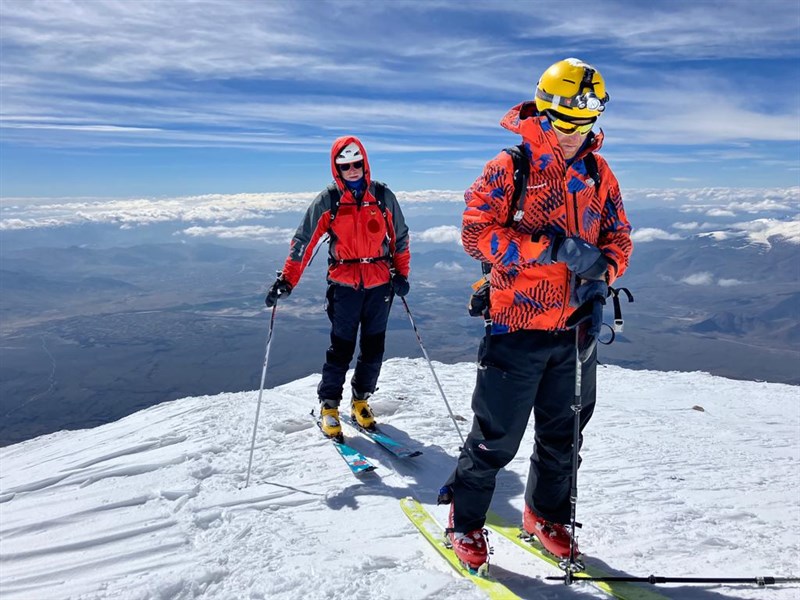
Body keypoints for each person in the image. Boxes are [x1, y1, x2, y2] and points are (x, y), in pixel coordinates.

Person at [441, 58, 633, 570]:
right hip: (517, 327)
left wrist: (603, 268)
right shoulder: (511, 166)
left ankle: (544, 515)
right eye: (569, 116)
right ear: (546, 110)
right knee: (495, 437)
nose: (576, 131)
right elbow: (474, 234)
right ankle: (464, 522)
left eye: (588, 116)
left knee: (563, 434)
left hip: (577, 330)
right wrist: (545, 249)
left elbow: (619, 234)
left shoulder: (598, 170)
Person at [265, 136, 411, 440]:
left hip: (380, 284)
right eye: (346, 165)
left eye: (358, 163)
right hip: (344, 285)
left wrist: (401, 273)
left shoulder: (382, 196)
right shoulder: (329, 200)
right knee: (341, 349)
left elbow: (400, 238)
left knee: (373, 348)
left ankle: (361, 401)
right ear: (337, 168)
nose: (353, 170)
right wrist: (288, 280)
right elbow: (303, 242)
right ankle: (329, 406)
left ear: (365, 163)